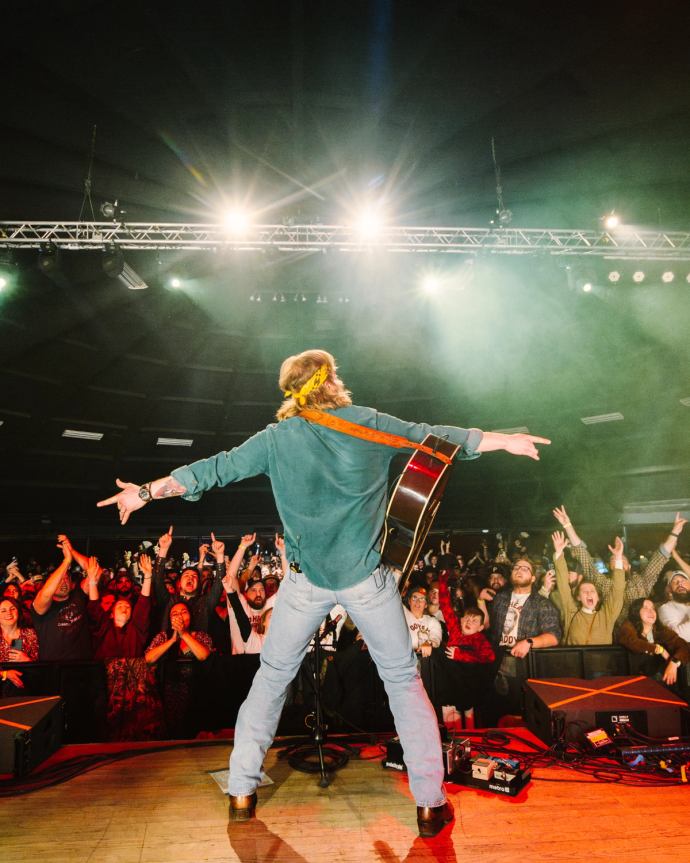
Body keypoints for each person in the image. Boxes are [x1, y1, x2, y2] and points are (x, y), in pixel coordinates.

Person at [97, 347, 550, 837]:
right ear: (331, 379)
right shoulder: (367, 423)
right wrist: (503, 440)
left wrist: (143, 492)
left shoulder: (275, 438)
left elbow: (214, 468)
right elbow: (435, 438)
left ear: (292, 390)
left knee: (271, 679)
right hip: (366, 582)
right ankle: (428, 804)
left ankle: (242, 790)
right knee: (403, 682)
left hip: (304, 582)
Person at [553, 506, 686, 629]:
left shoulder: (641, 582)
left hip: (638, 638)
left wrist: (675, 532)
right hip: (610, 640)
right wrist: (567, 525)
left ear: (629, 565)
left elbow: (660, 557)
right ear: (610, 566)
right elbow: (584, 558)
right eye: (614, 559)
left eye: (621, 559)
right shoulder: (603, 583)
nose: (617, 559)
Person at [86, 554, 164, 741]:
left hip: (134, 693)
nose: (124, 608)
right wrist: (92, 582)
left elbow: (144, 605)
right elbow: (95, 608)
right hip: (107, 690)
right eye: (119, 605)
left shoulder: (136, 630)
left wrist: (147, 577)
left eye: (128, 607)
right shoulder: (104, 629)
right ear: (111, 614)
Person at [145, 602, 212, 739]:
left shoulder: (201, 636)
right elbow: (149, 658)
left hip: (196, 696)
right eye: (174, 614)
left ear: (190, 616)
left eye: (183, 612)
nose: (179, 616)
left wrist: (183, 634)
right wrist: (172, 641)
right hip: (168, 698)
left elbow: (203, 655)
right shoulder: (162, 637)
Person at [552, 531, 625, 645]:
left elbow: (618, 590)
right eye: (584, 591)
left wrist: (619, 557)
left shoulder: (606, 615)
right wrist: (559, 553)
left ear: (598, 597)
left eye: (592, 591)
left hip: (600, 663)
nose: (589, 594)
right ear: (579, 597)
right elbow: (563, 585)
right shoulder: (571, 612)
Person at [152, 528, 225, 634]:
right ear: (178, 583)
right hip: (170, 649)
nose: (190, 577)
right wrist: (163, 549)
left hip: (197, 649)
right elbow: (158, 581)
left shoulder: (204, 603)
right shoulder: (169, 601)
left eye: (195, 576)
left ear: (198, 583)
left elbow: (219, 585)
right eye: (186, 575)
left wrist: (220, 555)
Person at [31, 539, 93, 661]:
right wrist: (66, 561)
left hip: (82, 666)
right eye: (59, 580)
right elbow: (45, 594)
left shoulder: (77, 595)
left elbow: (95, 570)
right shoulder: (42, 605)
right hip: (53, 669)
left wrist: (71, 551)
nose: (64, 582)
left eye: (66, 578)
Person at [618, 597, 689, 686]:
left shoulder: (661, 630)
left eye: (653, 608)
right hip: (630, 680)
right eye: (645, 608)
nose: (651, 611)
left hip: (656, 680)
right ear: (636, 611)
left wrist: (674, 663)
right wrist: (660, 650)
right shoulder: (627, 626)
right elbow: (632, 641)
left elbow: (683, 646)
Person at [0, 596, 38, 696]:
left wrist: (27, 661)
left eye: (12, 608)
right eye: (3, 611)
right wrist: (4, 674)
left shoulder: (30, 634)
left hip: (27, 693)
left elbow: (43, 671)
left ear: (18, 612)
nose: (9, 613)